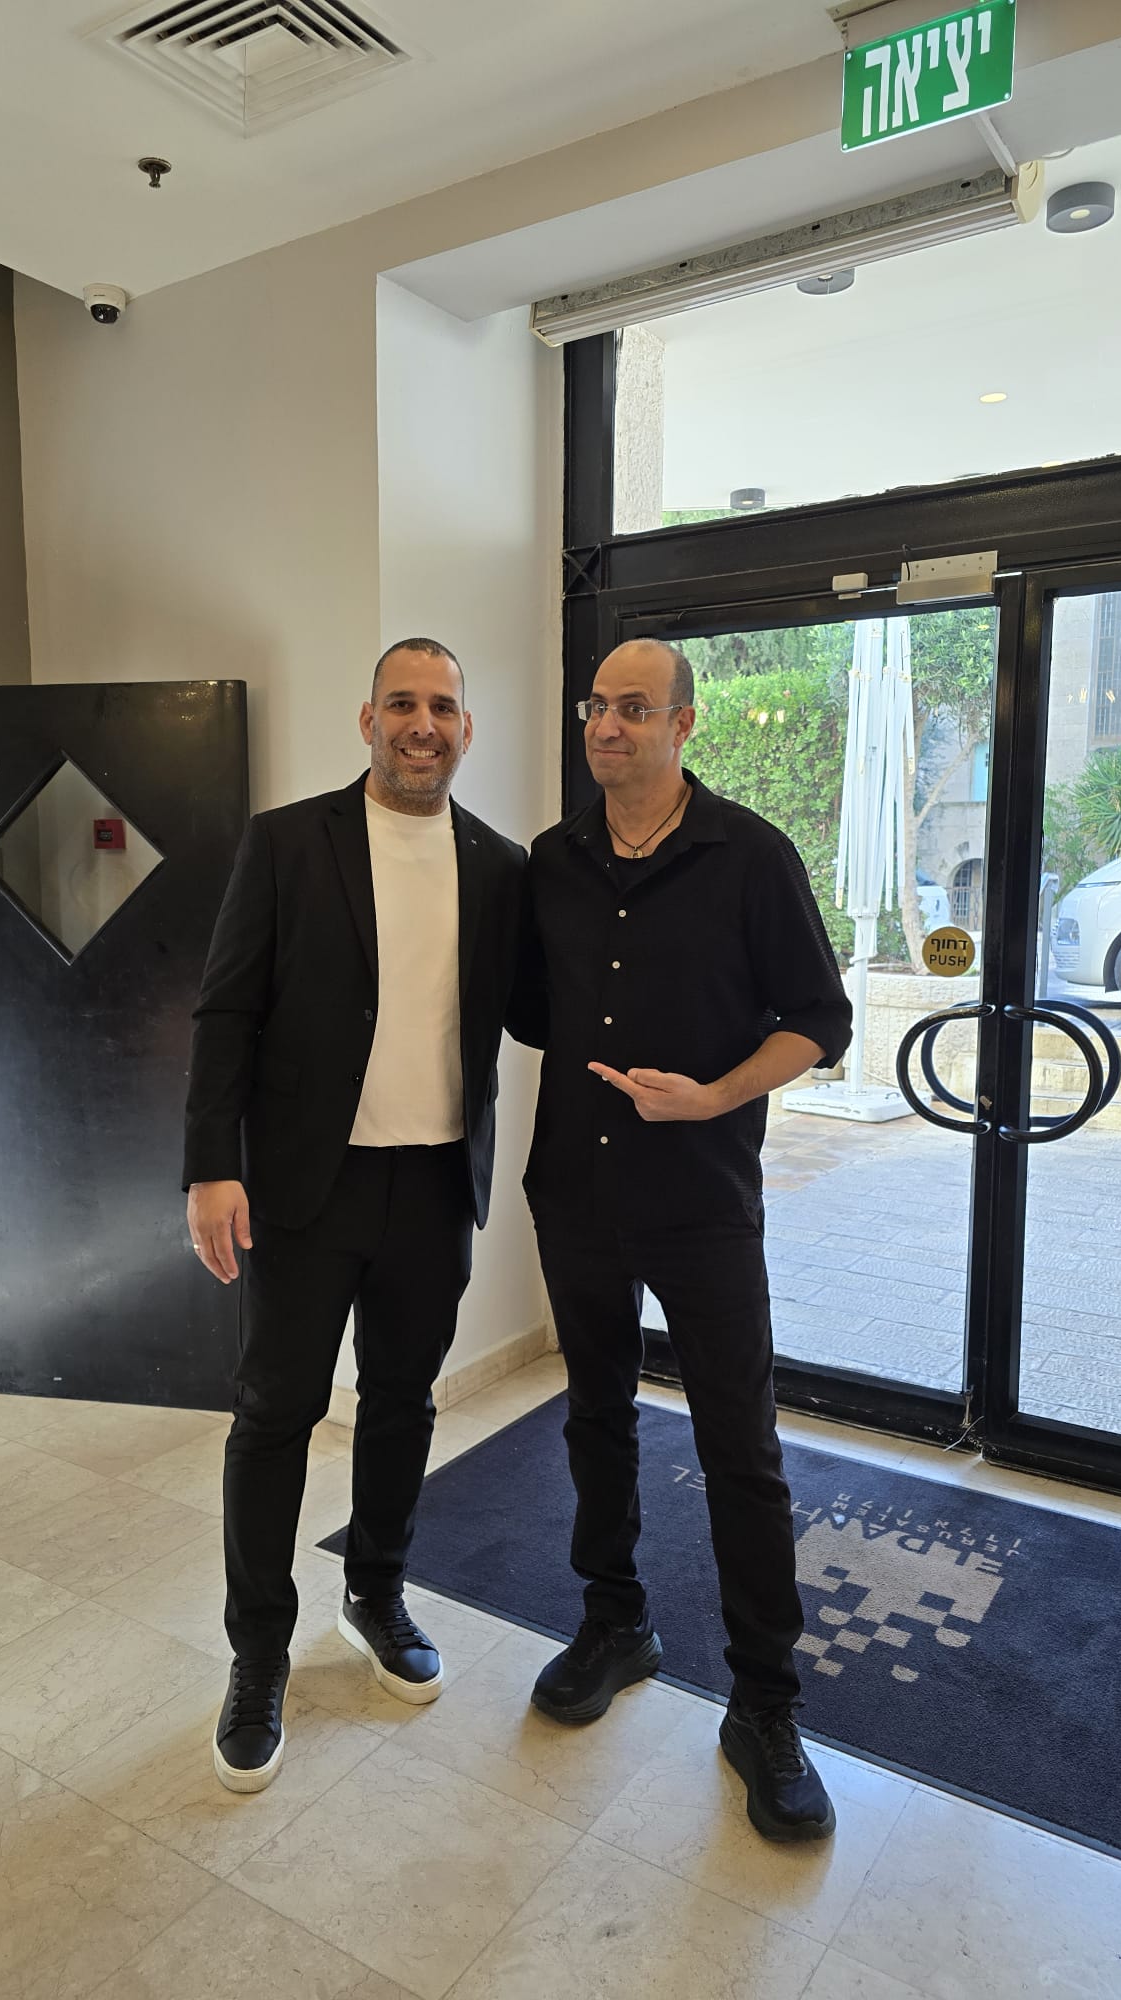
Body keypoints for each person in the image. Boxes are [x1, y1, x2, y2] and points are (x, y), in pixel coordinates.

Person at [516, 637, 852, 1843]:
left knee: (739, 1446)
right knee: (595, 1415)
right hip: (576, 1191)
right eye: (595, 705)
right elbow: (527, 1011)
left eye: (634, 706)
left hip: (703, 1199)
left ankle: (765, 1702)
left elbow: (821, 1018)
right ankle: (616, 1621)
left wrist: (712, 1093)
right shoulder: (550, 861)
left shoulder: (750, 855)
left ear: (684, 723)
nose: (607, 725)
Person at [184, 637, 526, 1794]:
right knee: (274, 1413)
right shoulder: (287, 842)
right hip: (304, 1186)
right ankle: (258, 1653)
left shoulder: (499, 863)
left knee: (401, 1402)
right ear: (368, 719)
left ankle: (375, 1592)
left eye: (443, 705)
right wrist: (210, 1165)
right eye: (403, 703)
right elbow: (227, 1009)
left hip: (433, 1185)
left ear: (466, 728)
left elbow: (537, 1004)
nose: (424, 723)